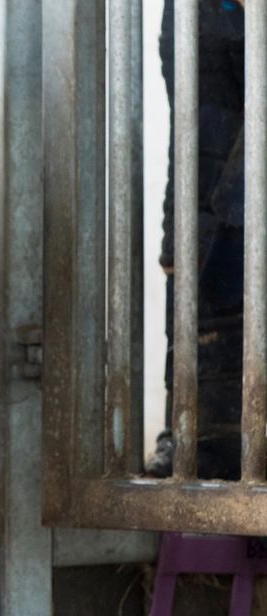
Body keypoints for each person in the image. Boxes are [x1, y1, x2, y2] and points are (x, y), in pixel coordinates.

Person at [147, 0, 247, 479]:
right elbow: (191, 123)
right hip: (218, 225)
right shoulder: (188, 11)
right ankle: (188, 436)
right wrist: (176, 241)